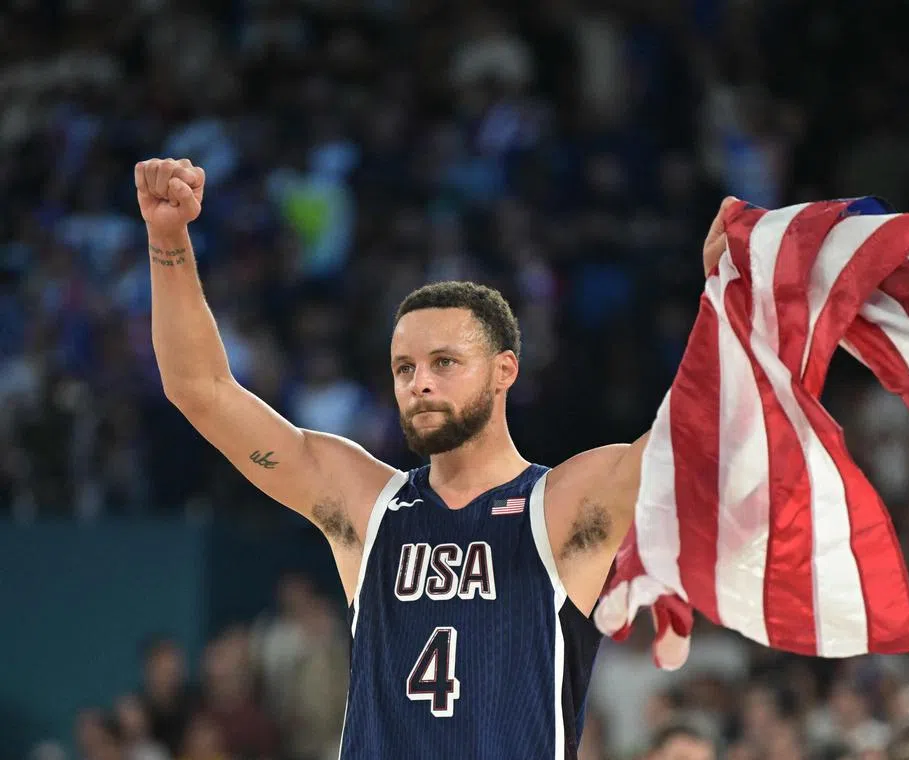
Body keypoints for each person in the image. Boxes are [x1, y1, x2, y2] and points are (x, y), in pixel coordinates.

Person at [133, 158, 735, 759]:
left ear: (505, 372)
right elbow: (201, 391)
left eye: (444, 363)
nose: (419, 383)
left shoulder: (562, 505)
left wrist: (729, 304)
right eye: (404, 368)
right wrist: (167, 242)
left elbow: (698, 439)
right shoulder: (368, 506)